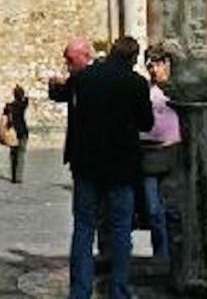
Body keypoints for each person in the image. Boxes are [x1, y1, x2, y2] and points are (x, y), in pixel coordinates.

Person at [49, 36, 153, 299]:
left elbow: (60, 93)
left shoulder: (84, 78)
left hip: (86, 165)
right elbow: (146, 123)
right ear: (133, 58)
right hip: (121, 167)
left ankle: (80, 292)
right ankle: (119, 290)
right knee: (120, 230)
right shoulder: (137, 83)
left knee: (83, 228)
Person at [139, 43, 181, 261]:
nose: (154, 69)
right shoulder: (146, 90)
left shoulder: (177, 90)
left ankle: (176, 254)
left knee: (173, 209)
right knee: (154, 210)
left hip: (172, 152)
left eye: (158, 64)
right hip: (149, 155)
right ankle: (161, 254)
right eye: (150, 65)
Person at [2, 85, 30, 184]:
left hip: (12, 132)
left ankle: (13, 176)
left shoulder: (8, 106)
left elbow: (4, 118)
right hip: (22, 131)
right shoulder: (22, 104)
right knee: (21, 154)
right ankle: (19, 177)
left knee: (13, 154)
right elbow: (26, 99)